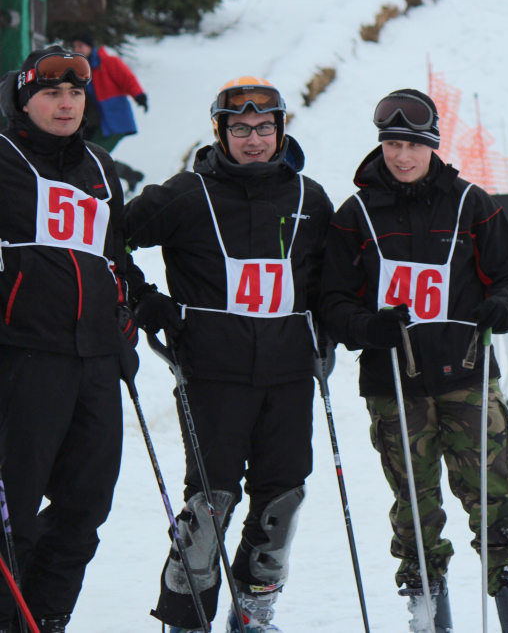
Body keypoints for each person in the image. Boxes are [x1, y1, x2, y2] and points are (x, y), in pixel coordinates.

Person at [321, 89, 508, 633]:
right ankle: (427, 605)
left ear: (433, 145)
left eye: (413, 144)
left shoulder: (471, 205)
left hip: (466, 375)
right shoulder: (355, 214)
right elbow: (332, 300)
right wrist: (365, 326)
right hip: (393, 381)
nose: (402, 156)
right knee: (414, 501)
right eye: (391, 144)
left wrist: (502, 306)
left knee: (492, 488)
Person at [122, 76, 333, 633]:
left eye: (265, 128)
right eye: (240, 129)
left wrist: (329, 331)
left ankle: (253, 610)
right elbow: (108, 238)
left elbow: (332, 279)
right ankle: (187, 618)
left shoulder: (309, 198)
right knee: (210, 504)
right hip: (213, 371)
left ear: (281, 130)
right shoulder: (187, 194)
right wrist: (144, 300)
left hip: (289, 374)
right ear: (220, 134)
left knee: (282, 498)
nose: (254, 140)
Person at [0, 47, 141, 633]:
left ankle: (46, 618)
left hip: (96, 361)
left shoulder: (100, 167)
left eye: (76, 94)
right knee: (14, 512)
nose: (66, 104)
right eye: (52, 93)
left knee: (85, 506)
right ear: (24, 99)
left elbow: (114, 258)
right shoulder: (3, 158)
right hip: (24, 356)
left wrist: (126, 317)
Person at [69, 34, 147, 194]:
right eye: (75, 46)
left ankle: (117, 182)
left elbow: (127, 79)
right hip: (92, 123)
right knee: (87, 158)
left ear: (90, 47)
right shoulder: (77, 69)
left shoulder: (108, 62)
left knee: (91, 158)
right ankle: (130, 175)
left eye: (80, 46)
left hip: (114, 121)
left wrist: (139, 96)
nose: (77, 50)